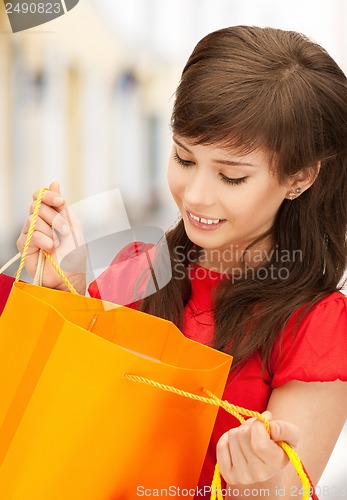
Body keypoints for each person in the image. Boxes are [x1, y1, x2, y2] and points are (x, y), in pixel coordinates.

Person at [17, 26, 347, 499]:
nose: (195, 196)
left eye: (231, 176)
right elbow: (54, 412)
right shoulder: (141, 266)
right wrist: (60, 287)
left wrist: (262, 485)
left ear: (300, 177)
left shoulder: (316, 328)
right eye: (184, 158)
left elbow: (286, 488)